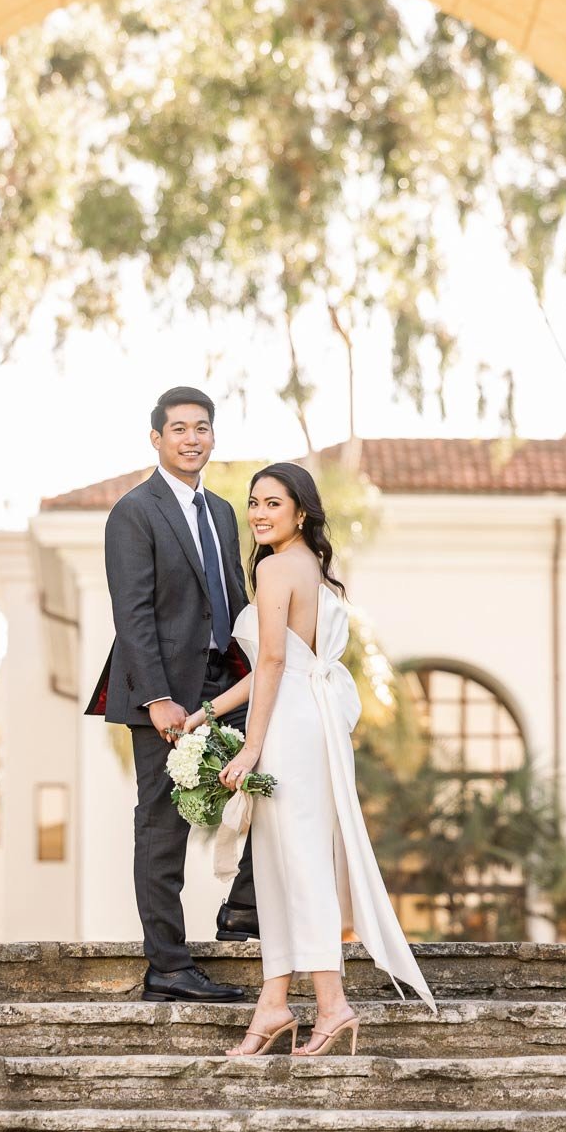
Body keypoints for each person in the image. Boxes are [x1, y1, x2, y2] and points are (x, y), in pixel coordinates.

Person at [183, 462, 435, 1055]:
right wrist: (207, 714)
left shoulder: (274, 570)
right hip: (307, 721)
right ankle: (273, 1005)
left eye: (274, 503)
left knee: (299, 865)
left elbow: (271, 663)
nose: (261, 513)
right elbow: (284, 663)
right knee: (279, 862)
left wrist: (250, 746)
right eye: (255, 503)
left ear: (301, 513)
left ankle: (331, 1004)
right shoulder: (314, 571)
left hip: (289, 728)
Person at [84, 386, 258, 1003]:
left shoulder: (224, 513)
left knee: (268, 790)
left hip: (223, 685)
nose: (192, 438)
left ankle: (244, 912)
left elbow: (235, 603)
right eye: (179, 428)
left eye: (202, 427)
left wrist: (262, 675)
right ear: (156, 438)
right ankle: (168, 965)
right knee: (162, 830)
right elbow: (131, 614)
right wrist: (157, 697)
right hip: (163, 695)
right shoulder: (134, 512)